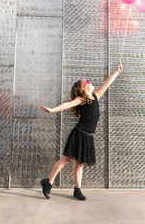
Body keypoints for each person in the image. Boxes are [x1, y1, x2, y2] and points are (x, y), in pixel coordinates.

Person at [40, 62, 123, 200]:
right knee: (65, 159)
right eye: (88, 82)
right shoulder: (81, 99)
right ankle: (48, 182)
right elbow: (67, 104)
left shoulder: (96, 96)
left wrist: (117, 72)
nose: (91, 82)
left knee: (79, 164)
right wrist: (52, 110)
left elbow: (107, 84)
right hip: (78, 134)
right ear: (84, 89)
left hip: (88, 136)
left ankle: (77, 189)